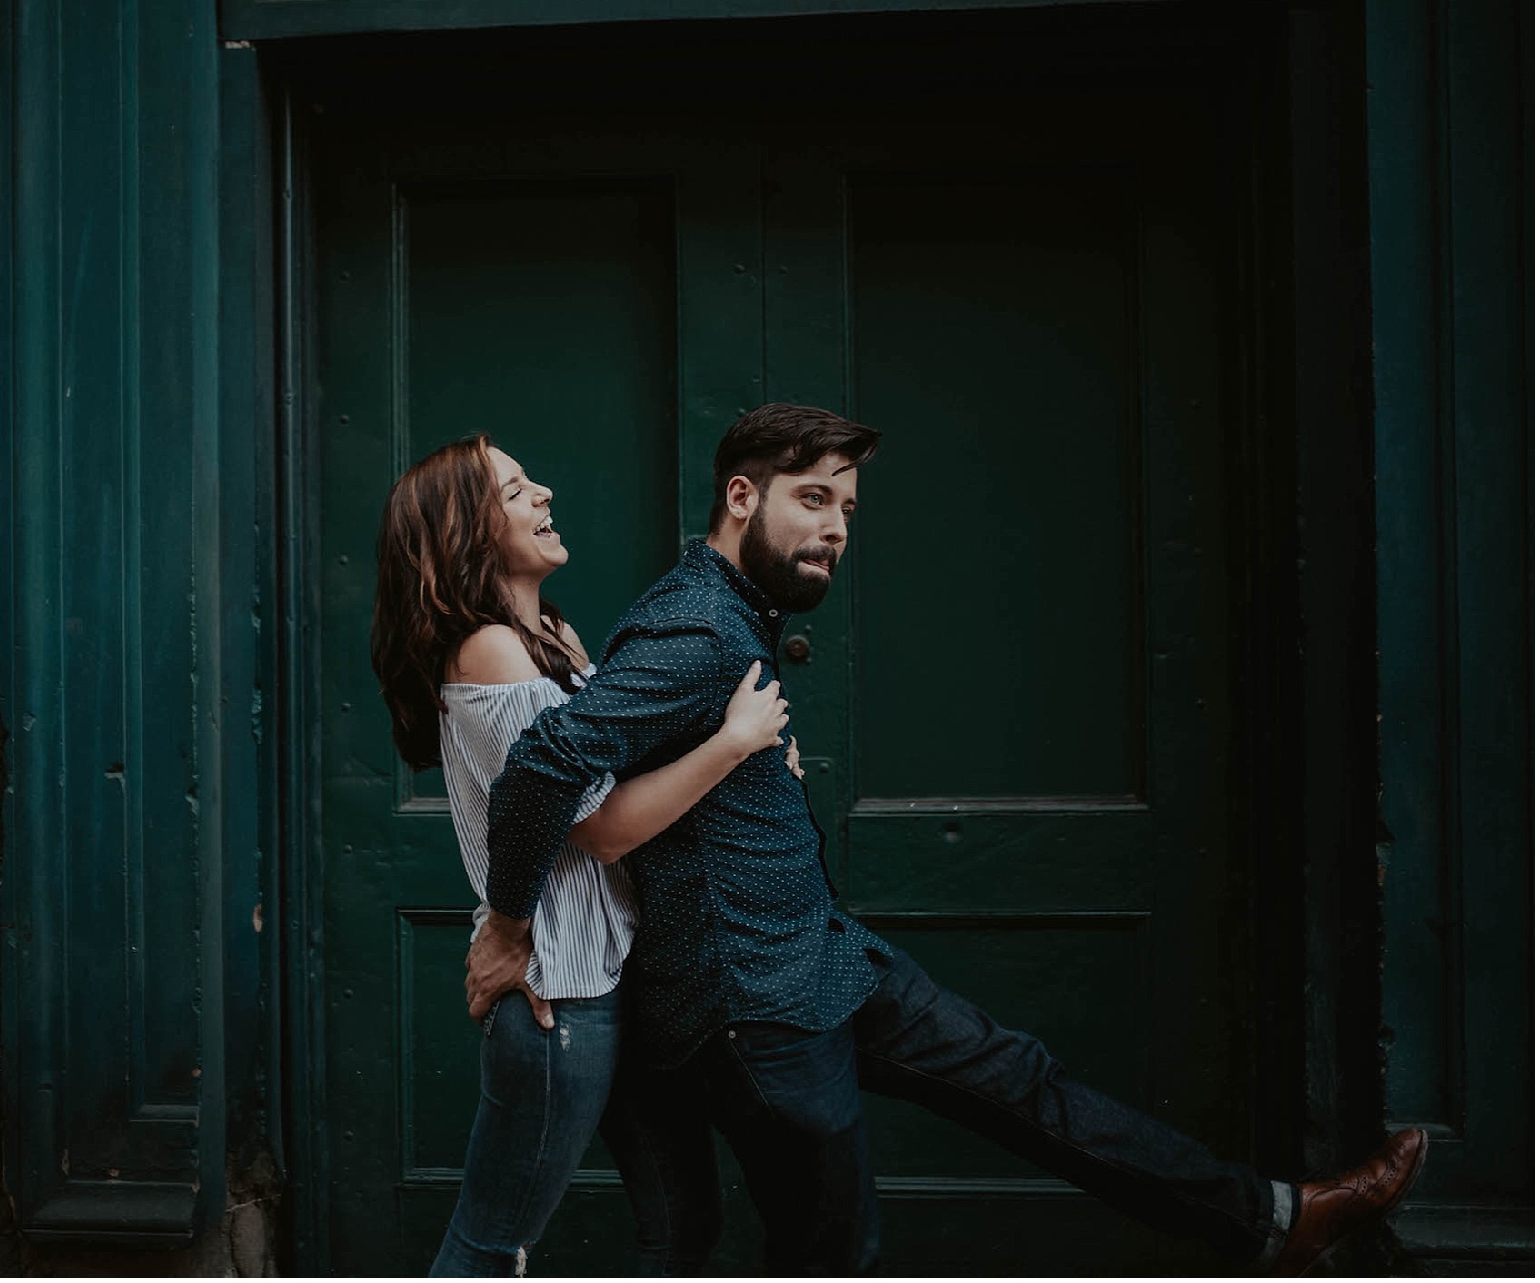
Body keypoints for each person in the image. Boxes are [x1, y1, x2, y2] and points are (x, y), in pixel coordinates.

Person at [465, 402, 1427, 1277]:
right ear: (741, 495)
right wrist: (510, 924)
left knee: (1025, 1085)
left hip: (824, 959)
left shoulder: (727, 616)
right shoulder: (695, 632)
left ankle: (1274, 1219)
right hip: (757, 1007)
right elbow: (545, 767)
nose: (836, 529)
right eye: (812, 500)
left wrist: (751, 766)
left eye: (846, 508)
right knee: (835, 1251)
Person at [370, 433, 799, 1276]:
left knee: (683, 1224)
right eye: (516, 490)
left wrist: (740, 752)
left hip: (618, 978)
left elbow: (628, 771)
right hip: (561, 1000)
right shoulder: (487, 649)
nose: (545, 495)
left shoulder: (553, 634)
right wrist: (731, 746)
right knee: (493, 1245)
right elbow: (597, 827)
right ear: (462, 530)